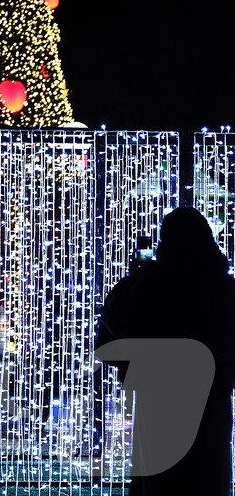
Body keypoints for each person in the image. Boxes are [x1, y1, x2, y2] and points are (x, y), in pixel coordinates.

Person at [98, 206, 235, 493]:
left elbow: (115, 320)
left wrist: (134, 279)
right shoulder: (225, 287)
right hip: (212, 409)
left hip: (161, 410)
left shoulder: (155, 289)